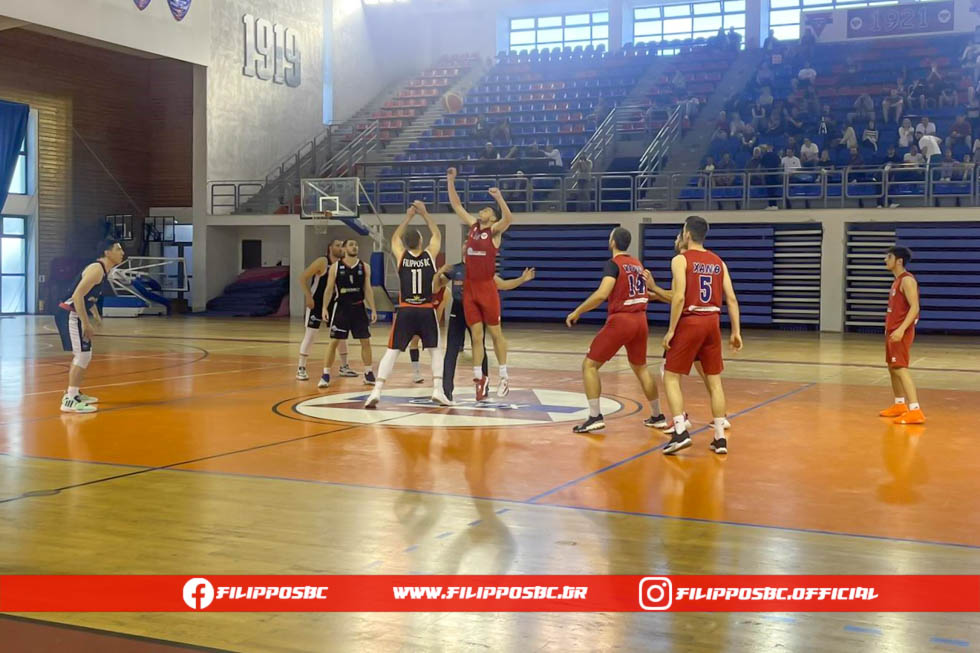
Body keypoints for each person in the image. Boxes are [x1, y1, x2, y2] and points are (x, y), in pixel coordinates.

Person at [565, 227, 665, 434]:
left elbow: (602, 294)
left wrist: (578, 311)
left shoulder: (613, 264)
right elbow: (644, 292)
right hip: (641, 320)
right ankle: (657, 416)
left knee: (589, 365)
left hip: (622, 320)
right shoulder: (637, 264)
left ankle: (594, 416)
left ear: (612, 242)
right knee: (641, 368)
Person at [661, 216, 742, 455]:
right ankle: (719, 438)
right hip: (712, 322)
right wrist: (736, 331)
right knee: (715, 382)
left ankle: (679, 431)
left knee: (670, 376)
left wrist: (671, 330)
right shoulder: (718, 262)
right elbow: (732, 299)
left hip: (691, 321)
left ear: (687, 234)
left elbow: (678, 297)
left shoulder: (680, 260)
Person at [364, 203, 451, 408]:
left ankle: (376, 391)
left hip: (405, 310)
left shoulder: (401, 256)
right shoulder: (429, 255)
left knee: (392, 351)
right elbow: (437, 234)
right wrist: (424, 213)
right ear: (420, 241)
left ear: (406, 244)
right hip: (426, 309)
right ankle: (437, 390)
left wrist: (408, 217)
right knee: (435, 350)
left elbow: (395, 238)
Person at [446, 166, 515, 400]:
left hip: (486, 287)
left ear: (492, 217)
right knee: (476, 336)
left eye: (487, 209)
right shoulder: (473, 226)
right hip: (470, 288)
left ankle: (504, 376)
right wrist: (450, 181)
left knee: (495, 333)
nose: (482, 211)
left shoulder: (494, 231)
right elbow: (457, 205)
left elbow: (509, 218)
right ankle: (480, 378)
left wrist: (499, 198)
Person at [436, 263, 535, 401]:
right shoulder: (455, 269)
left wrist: (522, 279)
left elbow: (503, 285)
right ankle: (447, 391)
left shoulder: (482, 270)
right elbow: (437, 286)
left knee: (479, 345)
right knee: (451, 350)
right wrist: (438, 274)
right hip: (458, 310)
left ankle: (483, 386)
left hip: (475, 310)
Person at [55, 238, 126, 413]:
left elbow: (88, 296)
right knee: (82, 355)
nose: (122, 253)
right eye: (118, 249)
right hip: (70, 314)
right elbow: (78, 295)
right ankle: (69, 400)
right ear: (107, 253)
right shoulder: (96, 269)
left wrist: (95, 313)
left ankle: (74, 393)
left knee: (84, 355)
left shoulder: (103, 270)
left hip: (75, 314)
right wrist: (87, 323)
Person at [317, 238, 378, 388]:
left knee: (365, 341)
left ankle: (368, 373)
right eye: (351, 245)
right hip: (341, 308)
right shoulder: (335, 267)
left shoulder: (365, 267)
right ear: (344, 249)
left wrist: (373, 308)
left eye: (356, 245)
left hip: (359, 308)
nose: (355, 247)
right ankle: (325, 375)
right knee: (334, 342)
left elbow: (367, 289)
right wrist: (324, 308)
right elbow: (329, 289)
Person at [878, 246, 924, 425]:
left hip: (900, 331)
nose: (885, 260)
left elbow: (915, 307)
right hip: (892, 330)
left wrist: (901, 329)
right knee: (892, 367)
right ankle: (899, 405)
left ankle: (915, 410)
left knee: (900, 368)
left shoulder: (907, 280)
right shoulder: (896, 281)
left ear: (899, 261)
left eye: (888, 257)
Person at [297, 237, 354, 381]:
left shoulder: (343, 264)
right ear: (330, 248)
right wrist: (308, 296)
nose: (340, 248)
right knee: (310, 335)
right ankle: (301, 368)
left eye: (342, 245)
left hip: (334, 304)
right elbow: (302, 277)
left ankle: (344, 366)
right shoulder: (322, 262)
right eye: (337, 245)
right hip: (316, 303)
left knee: (340, 335)